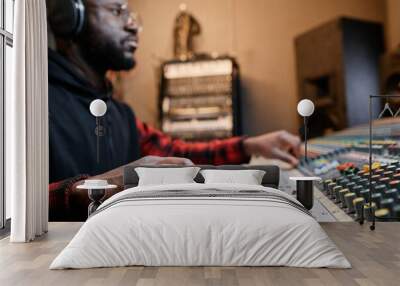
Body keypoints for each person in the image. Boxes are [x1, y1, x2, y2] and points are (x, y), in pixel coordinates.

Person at [48, 0, 301, 221]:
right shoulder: (31, 106)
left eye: (132, 15)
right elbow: (11, 203)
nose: (132, 26)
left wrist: (250, 146)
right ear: (69, 16)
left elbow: (175, 154)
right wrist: (107, 186)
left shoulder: (122, 115)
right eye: (117, 10)